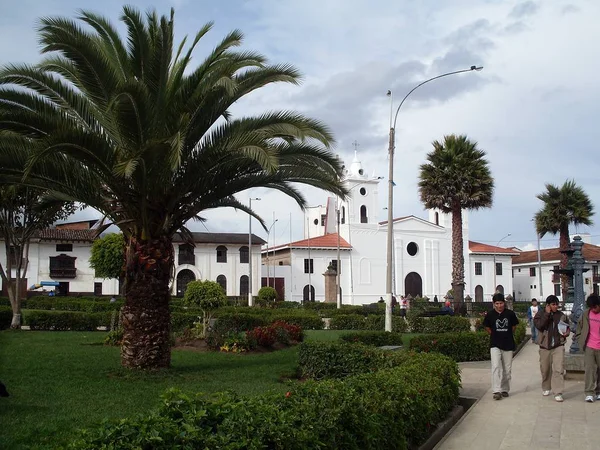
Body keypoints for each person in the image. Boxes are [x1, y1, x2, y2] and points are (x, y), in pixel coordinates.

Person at [482, 293, 519, 400]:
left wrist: (506, 334)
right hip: (495, 344)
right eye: (497, 303)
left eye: (501, 303)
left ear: (504, 303)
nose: (499, 305)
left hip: (508, 344)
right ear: (494, 304)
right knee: (496, 367)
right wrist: (495, 334)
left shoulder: (510, 314)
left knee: (507, 370)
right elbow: (487, 326)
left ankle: (504, 389)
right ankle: (496, 390)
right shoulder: (490, 314)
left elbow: (514, 326)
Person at [533, 295, 570, 402]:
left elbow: (567, 327)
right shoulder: (540, 315)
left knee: (558, 369)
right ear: (548, 305)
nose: (555, 306)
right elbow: (540, 326)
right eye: (553, 304)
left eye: (556, 304)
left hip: (558, 345)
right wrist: (547, 314)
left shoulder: (561, 315)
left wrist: (566, 333)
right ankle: (546, 387)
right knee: (545, 369)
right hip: (545, 346)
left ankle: (558, 392)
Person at [575, 293, 600, 402]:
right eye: (591, 307)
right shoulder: (586, 314)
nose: (593, 309)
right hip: (589, 346)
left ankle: (599, 392)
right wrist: (580, 338)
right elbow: (579, 328)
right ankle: (589, 393)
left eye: (595, 307)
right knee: (589, 370)